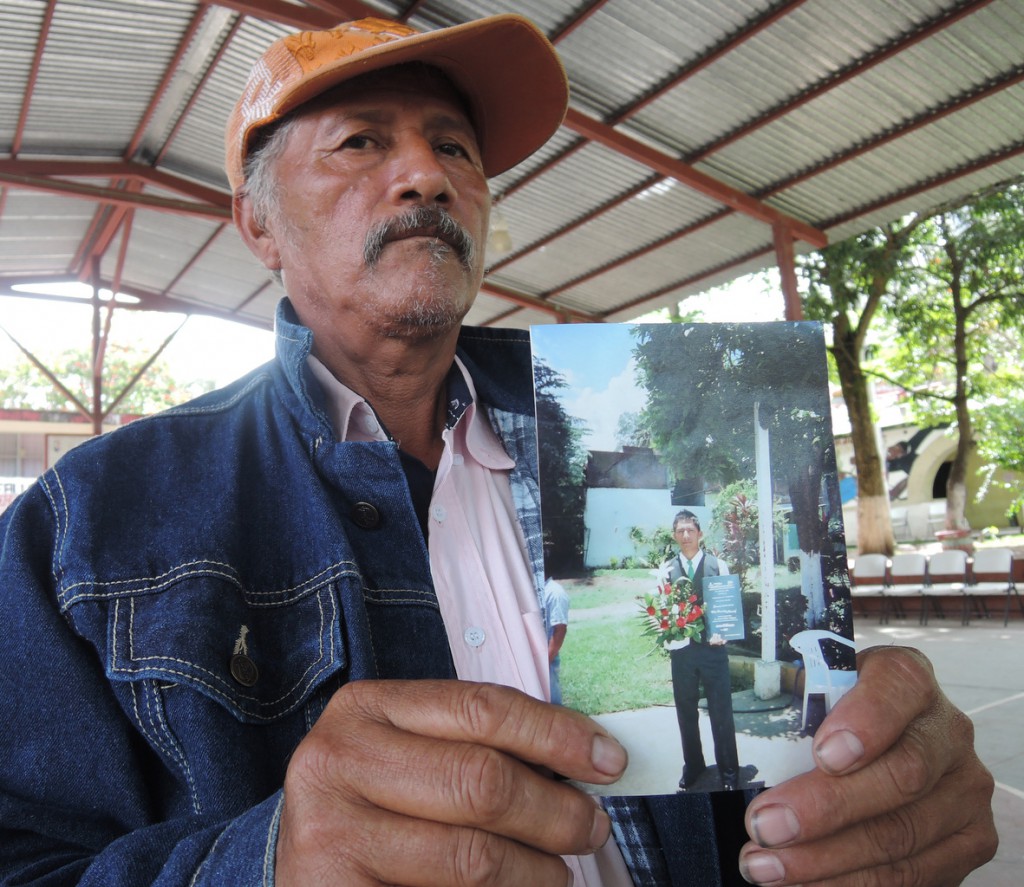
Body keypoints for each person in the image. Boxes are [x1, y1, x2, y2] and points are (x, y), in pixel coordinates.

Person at [0, 13, 998, 887]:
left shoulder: (633, 432)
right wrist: (264, 863)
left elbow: (763, 759)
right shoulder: (94, 517)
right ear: (258, 222)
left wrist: (872, 792)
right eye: (358, 141)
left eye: (457, 150)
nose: (427, 173)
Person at [662, 509, 740, 792]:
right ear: (674, 535)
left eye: (690, 531)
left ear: (700, 534)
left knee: (721, 711)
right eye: (680, 531)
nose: (685, 536)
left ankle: (729, 772)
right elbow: (660, 612)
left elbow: (728, 607)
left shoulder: (719, 566)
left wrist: (725, 633)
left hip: (713, 651)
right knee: (686, 712)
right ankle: (693, 765)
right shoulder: (667, 570)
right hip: (682, 653)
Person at [543, 577, 570, 705]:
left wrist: (545, 661)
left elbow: (560, 631)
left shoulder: (555, 593)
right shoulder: (533, 591)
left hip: (548, 660)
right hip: (534, 660)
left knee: (552, 703)